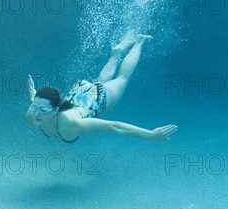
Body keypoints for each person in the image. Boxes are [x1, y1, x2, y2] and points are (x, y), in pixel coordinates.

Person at [25, 33, 177, 143]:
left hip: (96, 99)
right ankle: (115, 54)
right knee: (100, 81)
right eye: (34, 108)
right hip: (78, 95)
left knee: (122, 79)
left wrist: (151, 135)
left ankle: (139, 41)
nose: (36, 113)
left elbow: (114, 126)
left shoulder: (71, 124)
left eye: (43, 110)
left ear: (56, 111)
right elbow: (36, 101)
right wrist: (33, 94)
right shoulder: (33, 114)